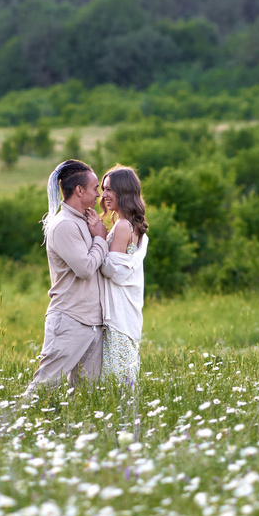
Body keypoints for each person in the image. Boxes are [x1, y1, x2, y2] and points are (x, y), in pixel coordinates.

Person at [35, 158, 108, 387]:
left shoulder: (84, 221)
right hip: (70, 319)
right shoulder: (64, 224)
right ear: (79, 190)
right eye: (95, 188)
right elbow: (85, 269)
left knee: (87, 395)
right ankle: (15, 422)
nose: (99, 195)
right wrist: (100, 239)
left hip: (92, 323)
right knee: (46, 386)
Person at [97, 165, 147, 388]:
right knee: (125, 375)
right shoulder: (135, 225)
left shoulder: (121, 226)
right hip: (128, 313)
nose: (104, 195)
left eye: (110, 190)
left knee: (114, 377)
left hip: (119, 316)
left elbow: (112, 269)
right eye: (103, 188)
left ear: (124, 192)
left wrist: (97, 237)